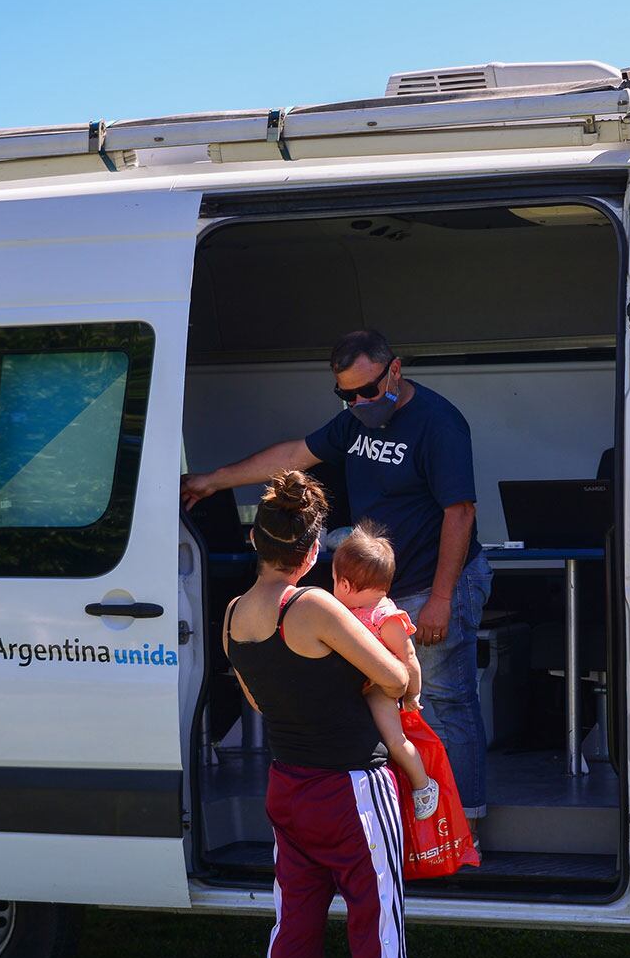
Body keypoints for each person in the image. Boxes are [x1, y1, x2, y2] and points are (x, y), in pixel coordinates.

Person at [185, 328, 495, 821]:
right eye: (346, 394)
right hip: (379, 592)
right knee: (387, 705)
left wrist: (442, 597)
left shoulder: (438, 423)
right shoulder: (354, 422)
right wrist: (211, 481)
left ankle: (467, 825)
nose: (358, 402)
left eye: (367, 391)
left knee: (447, 701)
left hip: (433, 584)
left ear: (395, 370)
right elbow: (292, 457)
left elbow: (460, 512)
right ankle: (415, 825)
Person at [223, 470, 452, 958]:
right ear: (313, 550)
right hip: (352, 791)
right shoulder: (314, 607)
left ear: (255, 541)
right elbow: (399, 682)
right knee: (379, 940)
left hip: (288, 788)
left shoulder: (235, 615)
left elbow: (260, 701)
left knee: (293, 935)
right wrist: (396, 650)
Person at [330, 521, 438, 822]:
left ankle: (423, 785)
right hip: (353, 685)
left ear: (345, 585)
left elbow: (409, 657)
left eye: (335, 580)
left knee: (394, 739)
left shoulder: (385, 616)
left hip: (379, 687)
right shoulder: (346, 611)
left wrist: (412, 694)